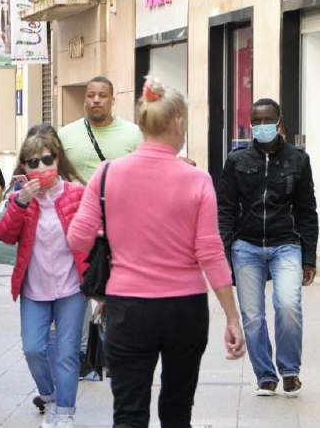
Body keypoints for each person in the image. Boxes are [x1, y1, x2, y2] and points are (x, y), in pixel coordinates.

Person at [67, 78, 246, 427]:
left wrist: (114, 233)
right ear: (178, 121)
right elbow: (210, 251)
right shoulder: (197, 180)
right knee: (177, 411)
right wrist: (232, 317)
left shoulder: (106, 175)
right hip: (185, 309)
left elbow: (77, 238)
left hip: (127, 308)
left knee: (129, 412)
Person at [218, 98, 317, 398]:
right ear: (250, 124)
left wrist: (309, 257)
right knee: (252, 315)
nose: (261, 126)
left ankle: (289, 371)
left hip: (286, 244)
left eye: (267, 120)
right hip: (246, 247)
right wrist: (223, 253)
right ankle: (265, 376)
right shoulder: (237, 160)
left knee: (288, 305)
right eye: (256, 121)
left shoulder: (298, 160)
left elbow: (307, 210)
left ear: (278, 121)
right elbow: (224, 208)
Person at [0, 129, 89, 428]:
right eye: (33, 162)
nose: (41, 167)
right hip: (35, 288)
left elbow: (95, 232)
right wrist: (20, 202)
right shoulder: (20, 199)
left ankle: (65, 411)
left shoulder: (77, 193)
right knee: (33, 349)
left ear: (58, 160)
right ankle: (49, 397)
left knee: (66, 353)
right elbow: (5, 236)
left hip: (71, 287)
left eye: (48, 159)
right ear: (24, 166)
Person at [58, 76, 143, 375]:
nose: (96, 100)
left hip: (122, 226)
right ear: (85, 98)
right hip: (77, 224)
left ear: (112, 99)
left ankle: (118, 348)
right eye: (91, 95)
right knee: (78, 287)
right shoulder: (65, 134)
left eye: (102, 95)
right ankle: (80, 353)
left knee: (120, 289)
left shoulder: (133, 134)